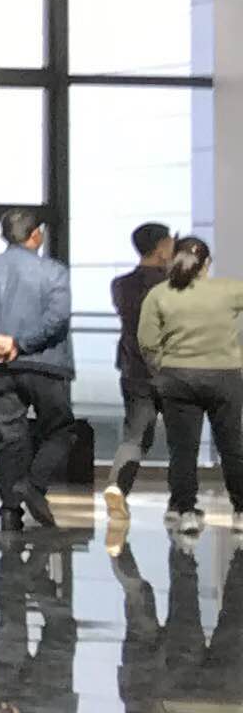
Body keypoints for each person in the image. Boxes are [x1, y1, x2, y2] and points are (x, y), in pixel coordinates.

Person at [0, 209, 80, 533]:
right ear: (35, 234)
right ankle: (33, 484)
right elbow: (57, 318)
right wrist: (22, 344)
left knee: (11, 438)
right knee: (60, 430)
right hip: (45, 364)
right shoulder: (54, 272)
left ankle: (10, 511)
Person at [137, 237, 243, 527]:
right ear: (207, 262)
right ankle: (240, 510)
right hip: (225, 377)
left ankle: (185, 512)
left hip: (178, 377)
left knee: (183, 449)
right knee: (232, 446)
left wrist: (162, 366)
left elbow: (147, 341)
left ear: (174, 259)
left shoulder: (159, 294)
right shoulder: (229, 290)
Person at [114, 221, 177, 512]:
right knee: (181, 439)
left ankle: (118, 489)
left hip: (134, 369)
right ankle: (180, 502)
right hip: (172, 369)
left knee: (134, 437)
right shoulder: (173, 286)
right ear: (162, 248)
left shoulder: (121, 285)